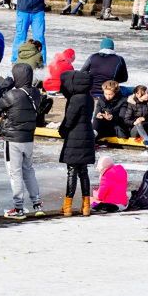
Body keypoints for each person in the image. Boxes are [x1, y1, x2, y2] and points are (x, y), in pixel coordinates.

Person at [0, 63, 44, 220]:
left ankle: (18, 208)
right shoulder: (35, 93)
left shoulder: (13, 94)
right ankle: (37, 204)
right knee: (29, 170)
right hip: (29, 138)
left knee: (15, 173)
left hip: (12, 139)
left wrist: (5, 90)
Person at [58, 70, 96, 217]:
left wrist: (62, 131)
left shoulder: (75, 99)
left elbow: (69, 120)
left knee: (72, 172)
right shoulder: (89, 98)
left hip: (74, 137)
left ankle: (67, 206)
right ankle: (86, 206)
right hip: (87, 135)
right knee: (83, 172)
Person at [124, 85, 148, 156]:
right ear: (137, 95)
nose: (147, 95)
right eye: (144, 94)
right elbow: (126, 120)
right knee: (139, 122)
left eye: (147, 92)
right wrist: (135, 121)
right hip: (135, 131)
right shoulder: (131, 103)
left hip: (147, 129)